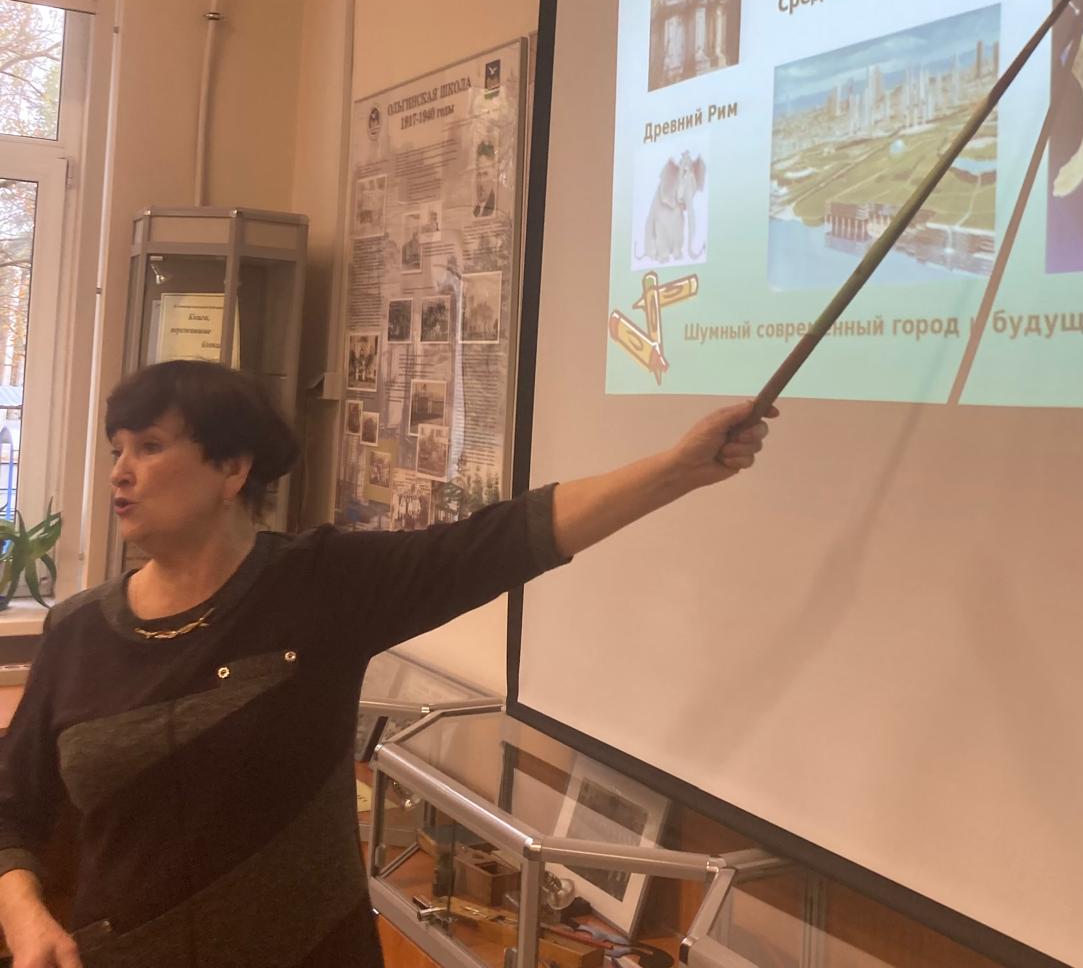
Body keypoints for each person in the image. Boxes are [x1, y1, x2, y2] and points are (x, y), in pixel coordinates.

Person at [0, 360, 774, 967]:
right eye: (117, 450)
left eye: (149, 447)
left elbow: (499, 541)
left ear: (232, 470)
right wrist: (25, 915)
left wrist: (678, 468)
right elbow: (13, 807)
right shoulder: (76, 633)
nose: (119, 472)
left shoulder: (320, 586)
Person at [472, 139, 496, 217]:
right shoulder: (475, 211)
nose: (481, 182)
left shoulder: (495, 209)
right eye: (479, 174)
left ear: (494, 174)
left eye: (485, 174)